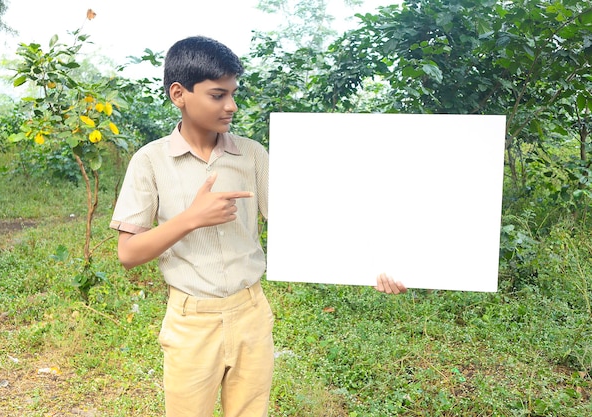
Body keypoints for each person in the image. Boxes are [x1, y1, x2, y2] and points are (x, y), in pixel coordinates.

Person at [110, 35, 406, 417]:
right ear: (179, 93)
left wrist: (379, 264)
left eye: (233, 93)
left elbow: (309, 226)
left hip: (250, 312)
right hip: (190, 322)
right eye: (218, 95)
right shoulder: (149, 161)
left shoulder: (251, 155)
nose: (231, 105)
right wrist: (192, 218)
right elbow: (128, 253)